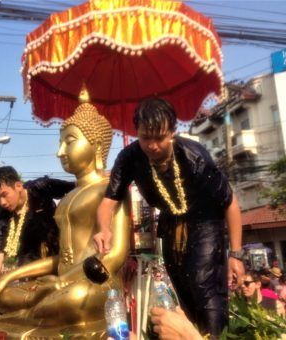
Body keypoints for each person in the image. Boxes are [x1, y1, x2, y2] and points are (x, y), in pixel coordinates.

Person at [93, 97, 244, 337]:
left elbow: (231, 204)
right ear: (137, 133)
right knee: (182, 288)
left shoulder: (195, 157)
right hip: (170, 223)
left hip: (205, 221)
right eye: (145, 138)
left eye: (159, 137)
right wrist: (103, 228)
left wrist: (236, 255)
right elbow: (109, 200)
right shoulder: (129, 158)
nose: (152, 145)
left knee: (203, 285)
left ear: (173, 133)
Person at [0, 90, 130, 338]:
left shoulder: (109, 191)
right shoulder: (64, 199)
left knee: (75, 298)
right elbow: (61, 260)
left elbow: (116, 255)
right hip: (62, 282)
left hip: (96, 282)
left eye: (70, 141)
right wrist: (12, 274)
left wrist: (63, 282)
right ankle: (35, 315)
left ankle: (28, 320)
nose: (60, 151)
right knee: (5, 294)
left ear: (96, 144)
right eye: (60, 142)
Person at [0, 166, 74, 304]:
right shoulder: (2, 217)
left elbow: (75, 186)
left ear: (18, 185)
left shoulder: (40, 187)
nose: (2, 203)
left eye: (4, 195)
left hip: (59, 256)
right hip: (29, 265)